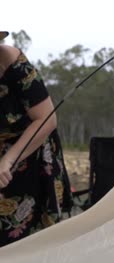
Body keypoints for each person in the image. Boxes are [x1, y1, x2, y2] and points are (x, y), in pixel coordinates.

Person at [0, 31, 72, 247]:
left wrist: (8, 160)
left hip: (30, 152)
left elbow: (46, 119)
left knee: (24, 241)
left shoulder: (10, 60)